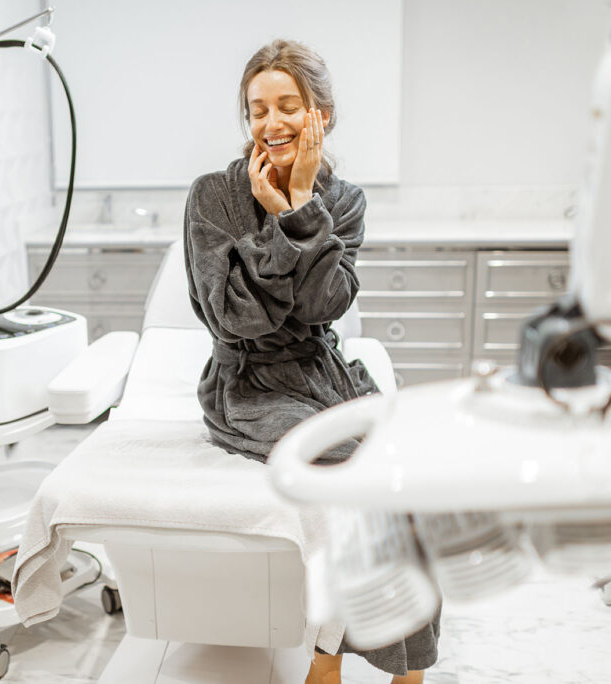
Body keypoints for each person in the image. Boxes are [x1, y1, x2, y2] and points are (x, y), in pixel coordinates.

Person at [183, 39, 440, 684]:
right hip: (246, 383)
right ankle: (345, 660)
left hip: (322, 371)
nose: (271, 124)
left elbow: (328, 302)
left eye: (288, 106)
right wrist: (287, 225)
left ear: (320, 113)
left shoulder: (344, 200)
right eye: (257, 109)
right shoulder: (211, 196)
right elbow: (235, 318)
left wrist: (301, 205)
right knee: (356, 467)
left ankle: (385, 663)